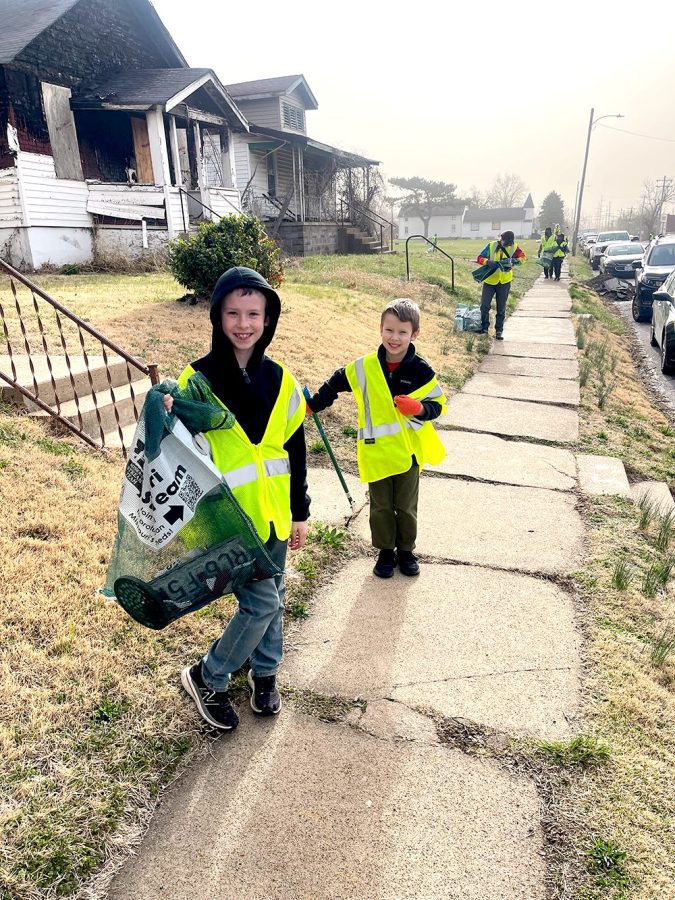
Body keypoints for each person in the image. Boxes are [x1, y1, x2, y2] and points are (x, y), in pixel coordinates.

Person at [163, 267, 310, 731]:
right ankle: (209, 675)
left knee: (276, 597)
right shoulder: (199, 378)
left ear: (268, 319)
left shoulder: (282, 380)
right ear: (217, 316)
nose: (243, 323)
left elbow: (296, 448)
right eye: (233, 313)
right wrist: (170, 413)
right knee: (261, 603)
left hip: (273, 516)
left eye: (254, 313)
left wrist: (300, 511)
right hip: (227, 519)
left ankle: (265, 675)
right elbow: (176, 450)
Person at [307, 299, 446, 579]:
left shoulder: (420, 369)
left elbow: (437, 404)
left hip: (408, 454)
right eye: (389, 330)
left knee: (405, 506)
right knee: (381, 506)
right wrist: (315, 404)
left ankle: (406, 551)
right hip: (376, 452)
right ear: (381, 329)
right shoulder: (365, 367)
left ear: (414, 334)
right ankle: (385, 551)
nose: (395, 338)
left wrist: (418, 408)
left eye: (402, 332)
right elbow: (336, 382)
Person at [476, 230, 526, 340]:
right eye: (502, 241)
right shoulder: (491, 245)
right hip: (490, 281)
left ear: (511, 241)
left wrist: (513, 261)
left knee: (501, 308)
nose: (503, 243)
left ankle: (499, 331)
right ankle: (484, 328)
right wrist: (487, 262)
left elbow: (523, 258)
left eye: (506, 242)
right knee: (484, 306)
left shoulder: (515, 247)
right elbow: (479, 258)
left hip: (504, 282)